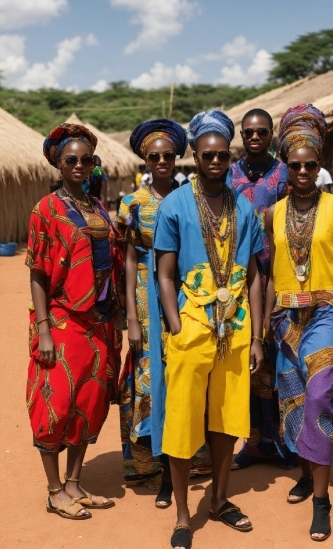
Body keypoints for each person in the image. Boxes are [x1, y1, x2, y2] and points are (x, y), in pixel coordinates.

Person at [153, 110, 264, 549]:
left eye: (222, 154)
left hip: (235, 330)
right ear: (194, 156)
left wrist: (256, 337)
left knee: (226, 421)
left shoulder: (245, 207)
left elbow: (254, 274)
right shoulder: (174, 205)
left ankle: (219, 500)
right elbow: (164, 274)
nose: (215, 161)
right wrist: (176, 326)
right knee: (181, 423)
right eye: (207, 154)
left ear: (230, 156)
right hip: (192, 329)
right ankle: (183, 516)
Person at [264, 104, 333, 541]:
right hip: (284, 319)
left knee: (319, 399)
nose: (302, 171)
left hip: (325, 314)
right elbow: (268, 272)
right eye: (295, 164)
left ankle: (322, 502)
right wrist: (265, 324)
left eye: (310, 164)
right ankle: (305, 472)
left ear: (321, 166)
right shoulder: (272, 213)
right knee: (292, 402)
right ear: (286, 164)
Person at [26, 123, 123, 520]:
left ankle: (74, 484)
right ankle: (53, 491)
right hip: (64, 320)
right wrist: (44, 328)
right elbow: (36, 272)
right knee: (55, 402)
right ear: (58, 164)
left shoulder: (97, 207)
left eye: (87, 159)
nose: (80, 165)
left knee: (90, 401)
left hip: (99, 322)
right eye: (72, 160)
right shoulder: (45, 210)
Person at [115, 119, 211, 510]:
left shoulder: (191, 196)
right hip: (144, 293)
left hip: (184, 290)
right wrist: (133, 320)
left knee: (182, 373)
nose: (161, 161)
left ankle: (184, 464)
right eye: (153, 156)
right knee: (150, 379)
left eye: (168, 155)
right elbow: (129, 257)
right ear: (144, 158)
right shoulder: (131, 203)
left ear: (178, 157)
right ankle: (157, 468)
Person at [226, 108, 295, 470]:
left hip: (279, 280)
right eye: (248, 131)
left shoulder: (286, 173)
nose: (254, 137)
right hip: (238, 282)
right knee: (247, 364)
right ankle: (253, 444)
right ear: (241, 134)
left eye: (261, 131)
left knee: (281, 362)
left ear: (271, 135)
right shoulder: (228, 173)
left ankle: (285, 445)